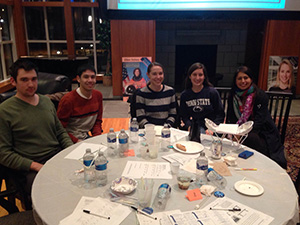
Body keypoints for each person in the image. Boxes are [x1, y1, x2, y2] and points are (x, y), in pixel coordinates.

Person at [0, 59, 73, 198]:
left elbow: (60, 132)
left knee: (88, 176)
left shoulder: (46, 101)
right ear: (13, 82)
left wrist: (71, 151)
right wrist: (36, 166)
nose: (31, 84)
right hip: (29, 167)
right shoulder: (4, 111)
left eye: (34, 79)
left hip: (56, 157)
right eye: (24, 80)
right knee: (54, 192)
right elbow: (3, 153)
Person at [226, 66, 287, 168]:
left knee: (250, 138)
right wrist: (234, 132)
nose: (243, 81)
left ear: (251, 79)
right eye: (239, 78)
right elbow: (231, 117)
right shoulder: (233, 96)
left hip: (261, 132)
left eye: (246, 78)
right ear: (235, 80)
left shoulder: (259, 95)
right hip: (240, 130)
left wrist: (242, 133)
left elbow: (260, 121)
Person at [57, 64, 103, 143]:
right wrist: (77, 141)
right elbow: (59, 129)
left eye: (92, 77)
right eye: (86, 77)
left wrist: (97, 138)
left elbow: (97, 121)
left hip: (85, 137)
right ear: (78, 79)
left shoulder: (98, 96)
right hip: (69, 139)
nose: (90, 80)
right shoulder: (68, 100)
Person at [179, 63, 225, 134]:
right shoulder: (185, 95)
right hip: (194, 128)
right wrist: (189, 126)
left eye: (200, 75)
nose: (197, 78)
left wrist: (213, 129)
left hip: (210, 129)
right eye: (194, 75)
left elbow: (220, 114)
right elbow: (184, 116)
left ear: (204, 77)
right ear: (189, 76)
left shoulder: (212, 93)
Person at [135, 62, 177, 128]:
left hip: (166, 130)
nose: (158, 77)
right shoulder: (141, 93)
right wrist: (152, 129)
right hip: (148, 131)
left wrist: (166, 127)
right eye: (154, 74)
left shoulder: (170, 91)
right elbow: (140, 117)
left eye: (160, 73)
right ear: (148, 75)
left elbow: (173, 114)